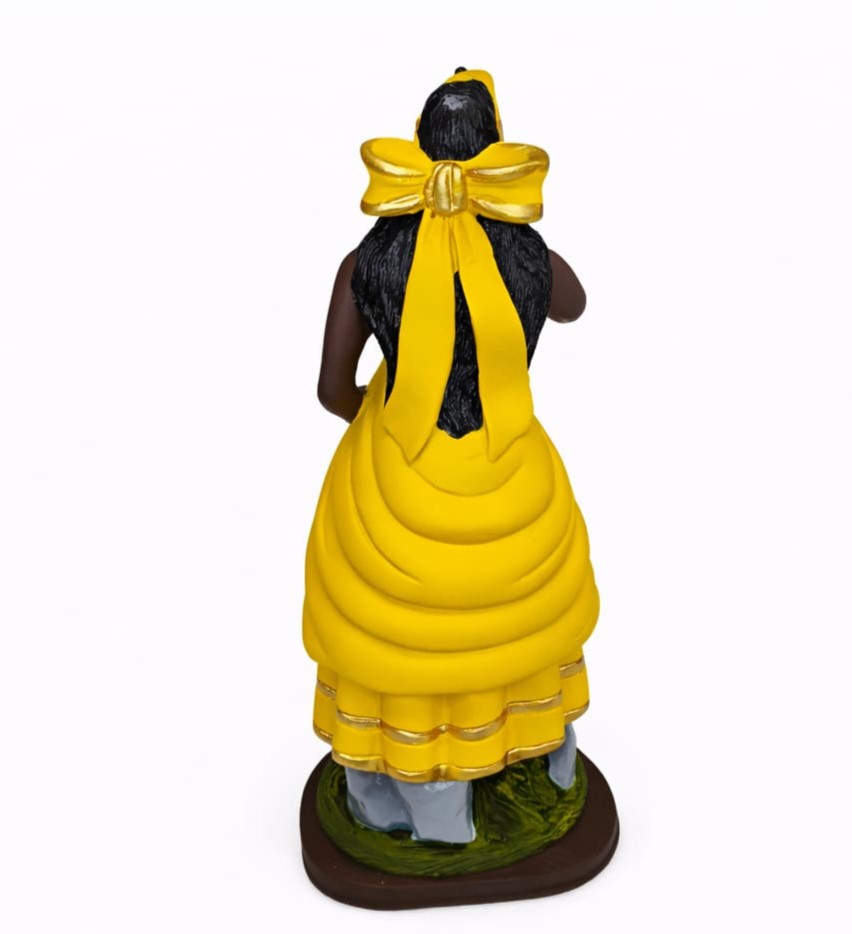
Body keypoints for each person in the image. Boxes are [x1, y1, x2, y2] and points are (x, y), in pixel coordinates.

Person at [303, 69, 599, 844]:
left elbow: (333, 391)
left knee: (397, 639)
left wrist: (381, 419)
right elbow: (575, 305)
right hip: (510, 468)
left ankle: (414, 796)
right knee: (520, 621)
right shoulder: (531, 256)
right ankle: (542, 753)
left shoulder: (366, 262)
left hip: (397, 481)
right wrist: (520, 251)